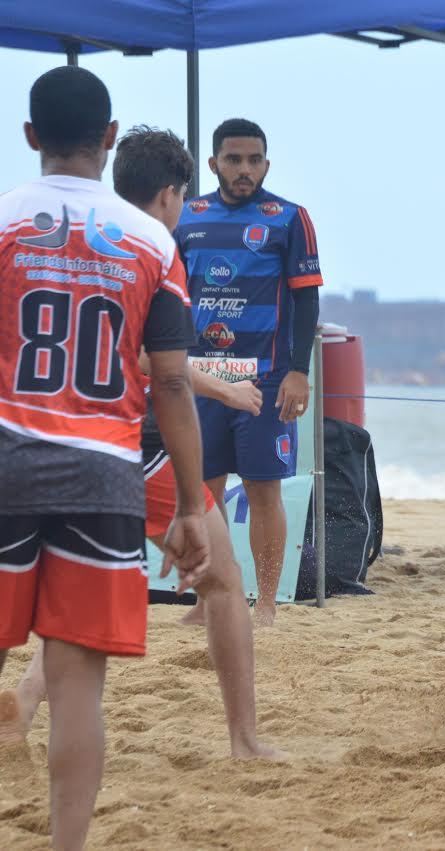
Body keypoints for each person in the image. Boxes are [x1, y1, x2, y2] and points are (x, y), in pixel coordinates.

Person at [1, 127, 280, 762]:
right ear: (169, 195)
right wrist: (229, 393)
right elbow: (164, 369)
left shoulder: (51, 231)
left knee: (61, 603)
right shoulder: (150, 246)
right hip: (130, 445)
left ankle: (22, 706)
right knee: (223, 582)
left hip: (31, 443)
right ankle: (245, 740)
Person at [0, 68, 210, 851]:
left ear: (29, 136)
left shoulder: (3, 221)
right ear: (111, 136)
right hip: (104, 472)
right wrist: (190, 506)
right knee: (78, 680)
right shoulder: (153, 243)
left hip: (6, 458)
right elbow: (170, 384)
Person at [175, 118, 323, 627]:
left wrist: (297, 371)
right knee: (204, 493)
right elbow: (170, 296)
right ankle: (209, 600)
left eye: (254, 160)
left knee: (264, 491)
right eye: (233, 160)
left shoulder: (288, 218)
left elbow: (306, 300)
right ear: (213, 163)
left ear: (266, 163)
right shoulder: (188, 216)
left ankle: (265, 603)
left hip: (264, 379)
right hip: (200, 378)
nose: (244, 169)